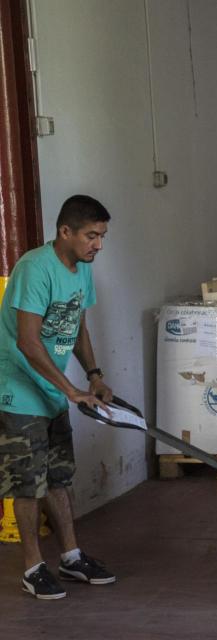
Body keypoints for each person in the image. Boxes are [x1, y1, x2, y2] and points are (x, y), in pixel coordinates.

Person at [0, 195, 116, 600]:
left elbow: (77, 324)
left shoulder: (81, 269)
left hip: (53, 391)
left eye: (101, 236)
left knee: (59, 478)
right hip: (18, 392)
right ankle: (33, 568)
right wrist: (72, 391)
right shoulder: (35, 268)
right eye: (91, 235)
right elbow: (29, 344)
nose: (97, 245)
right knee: (28, 483)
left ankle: (71, 556)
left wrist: (94, 375)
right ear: (65, 231)